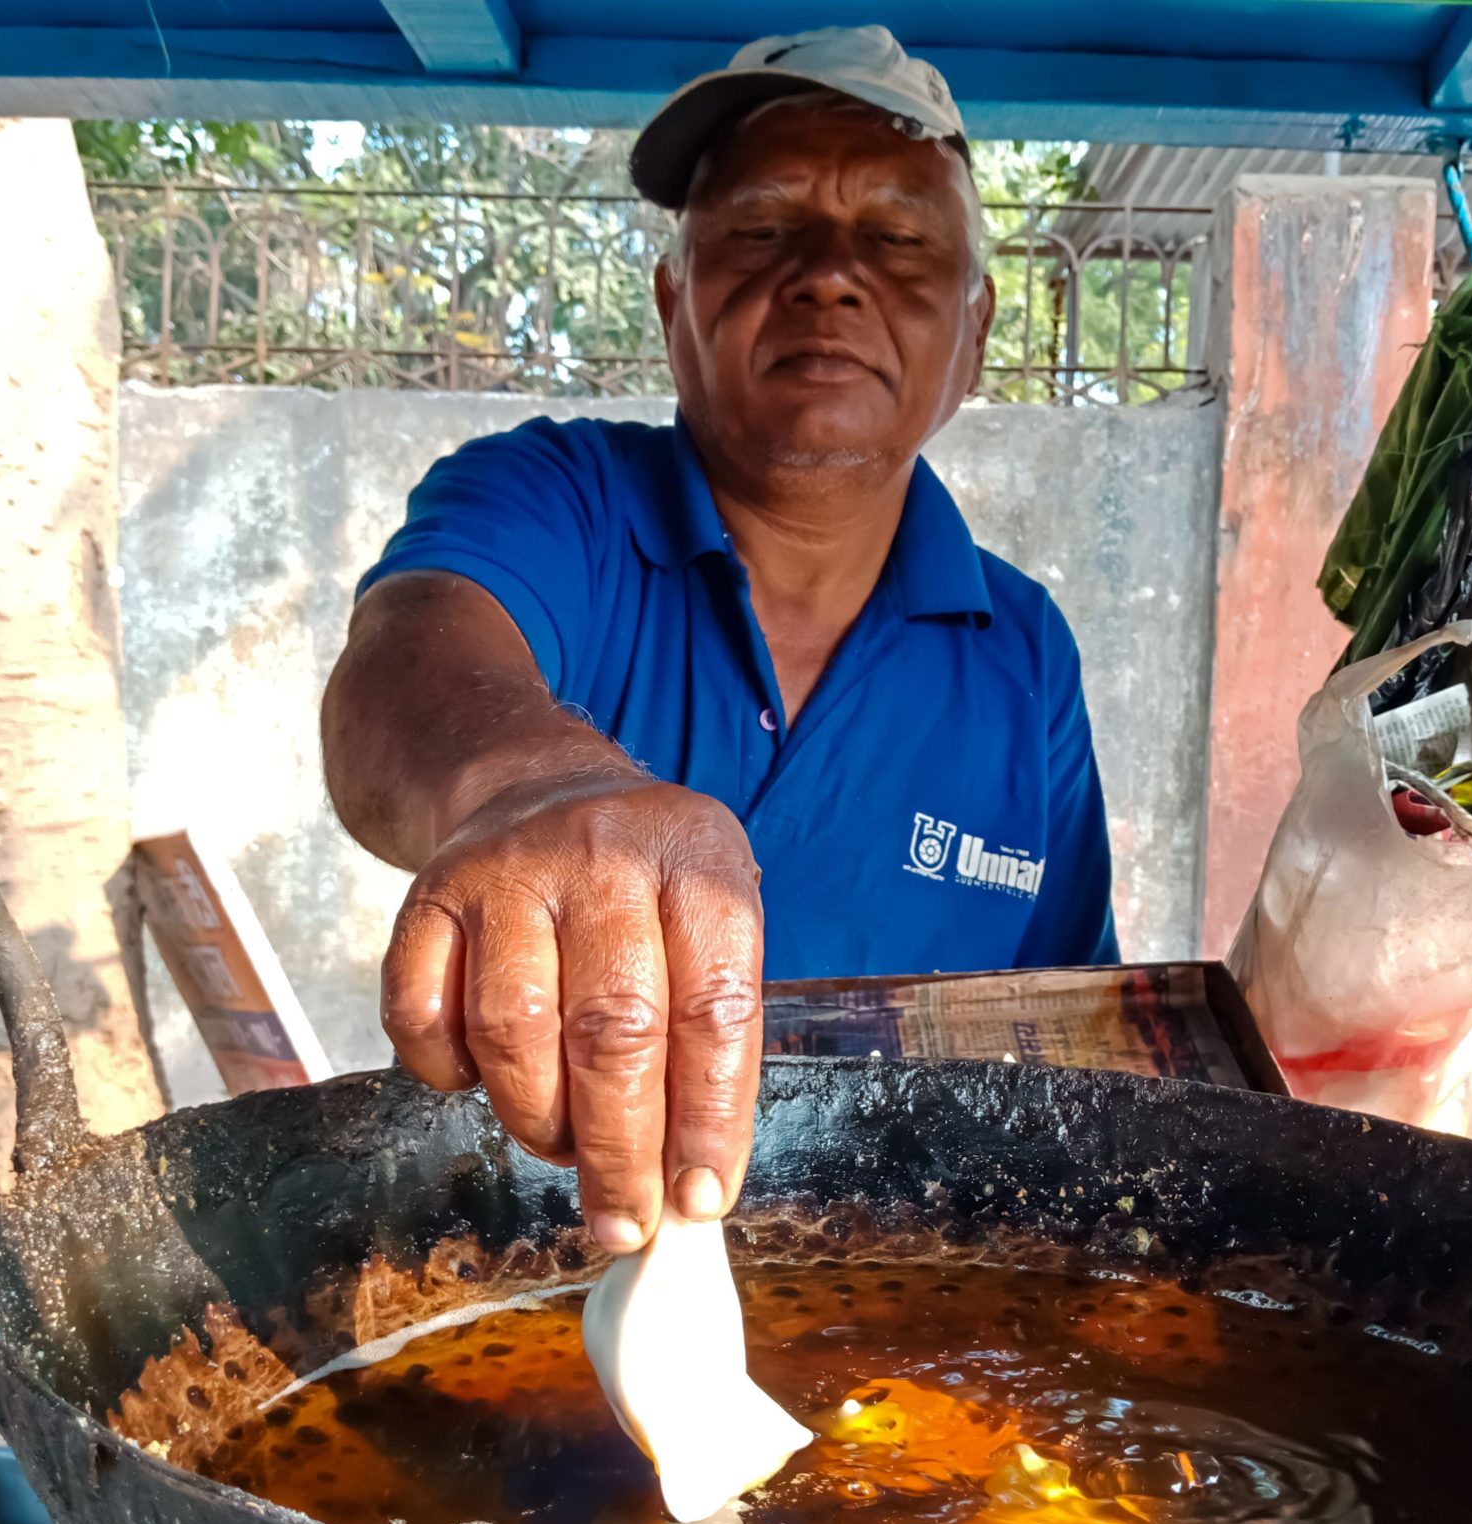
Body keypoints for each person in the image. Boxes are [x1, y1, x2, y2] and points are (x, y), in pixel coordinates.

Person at [321, 25, 1117, 1257]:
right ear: (671, 300)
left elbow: (1071, 1035)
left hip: (915, 1309)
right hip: (528, 1270)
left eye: (900, 239)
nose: (829, 278)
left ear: (975, 331)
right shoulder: (555, 499)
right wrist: (534, 787)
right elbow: (407, 662)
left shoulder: (1025, 655)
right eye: (761, 230)